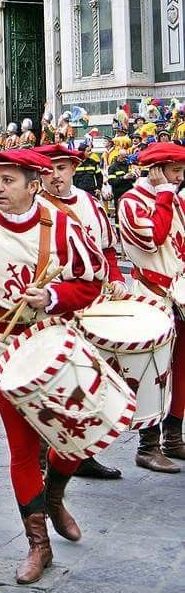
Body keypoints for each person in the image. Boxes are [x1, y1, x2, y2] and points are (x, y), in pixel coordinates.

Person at [0, 149, 103, 585]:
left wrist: (52, 298)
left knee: (77, 436)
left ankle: (54, 495)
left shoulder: (63, 226)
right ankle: (38, 545)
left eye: (10, 181)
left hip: (56, 346)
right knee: (23, 448)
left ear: (34, 185)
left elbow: (91, 282)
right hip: (4, 352)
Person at [35, 143, 126, 479]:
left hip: (92, 302)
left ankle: (83, 452)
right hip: (55, 305)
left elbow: (107, 250)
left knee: (89, 381)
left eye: (61, 168)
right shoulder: (37, 207)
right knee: (53, 383)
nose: (55, 175)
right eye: (47, 169)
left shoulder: (89, 203)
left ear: (73, 169)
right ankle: (47, 454)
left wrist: (115, 279)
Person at [116, 141, 185, 473]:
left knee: (182, 367)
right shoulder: (131, 203)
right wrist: (164, 194)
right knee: (153, 372)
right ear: (156, 171)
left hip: (179, 291)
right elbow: (152, 238)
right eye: (175, 171)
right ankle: (148, 445)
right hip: (151, 294)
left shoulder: (176, 198)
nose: (180, 177)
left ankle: (174, 435)